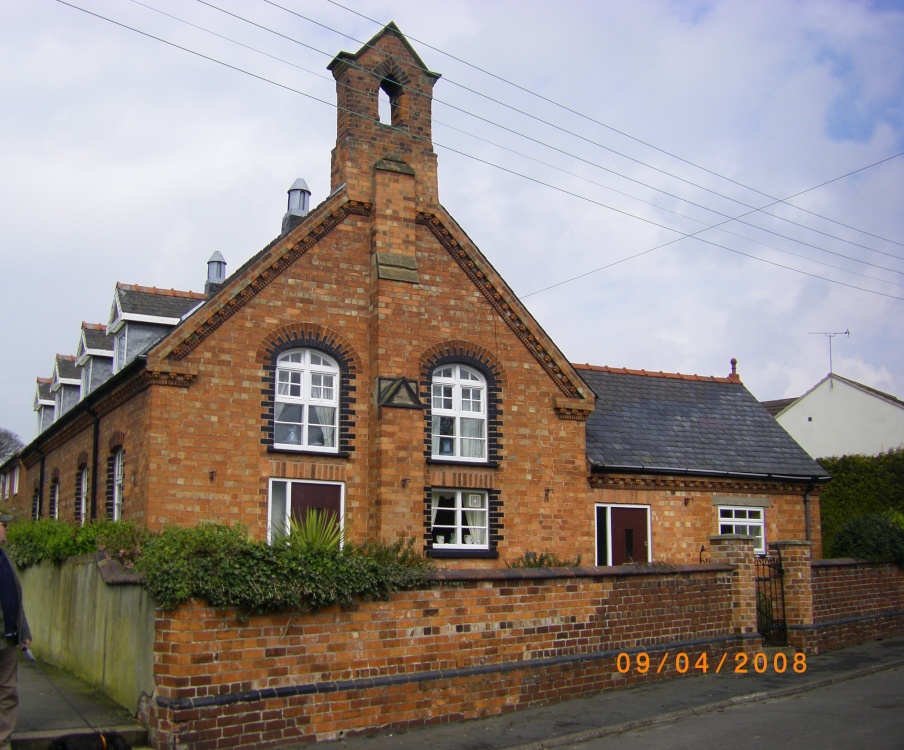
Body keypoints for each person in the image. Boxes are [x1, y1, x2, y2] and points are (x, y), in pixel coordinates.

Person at [0, 514, 30, 750]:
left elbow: (15, 599)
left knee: (7, 693)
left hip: (7, 639)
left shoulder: (4, 558)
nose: (6, 531)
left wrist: (24, 632)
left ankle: (3, 742)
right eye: (3, 526)